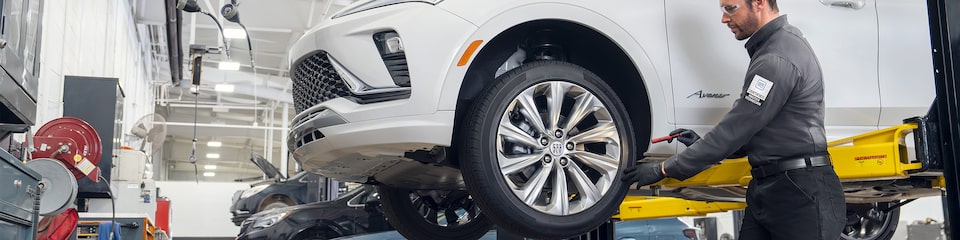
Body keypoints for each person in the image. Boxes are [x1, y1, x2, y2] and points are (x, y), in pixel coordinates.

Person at [621, 0, 846, 239]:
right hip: (771, 188)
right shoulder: (773, 49)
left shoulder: (777, 58)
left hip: (801, 194)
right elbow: (751, 133)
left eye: (731, 8)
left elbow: (736, 128)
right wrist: (700, 144)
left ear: (758, 3)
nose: (724, 18)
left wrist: (664, 169)